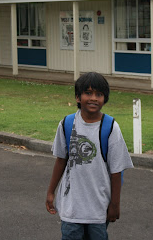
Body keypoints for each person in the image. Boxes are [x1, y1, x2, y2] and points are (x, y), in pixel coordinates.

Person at [46, 72, 133, 240]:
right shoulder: (66, 124)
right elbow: (61, 160)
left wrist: (115, 204)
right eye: (88, 93)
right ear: (78, 97)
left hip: (98, 208)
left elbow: (116, 171)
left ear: (105, 99)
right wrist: (51, 192)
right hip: (71, 208)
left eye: (99, 94)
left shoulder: (111, 127)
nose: (94, 98)